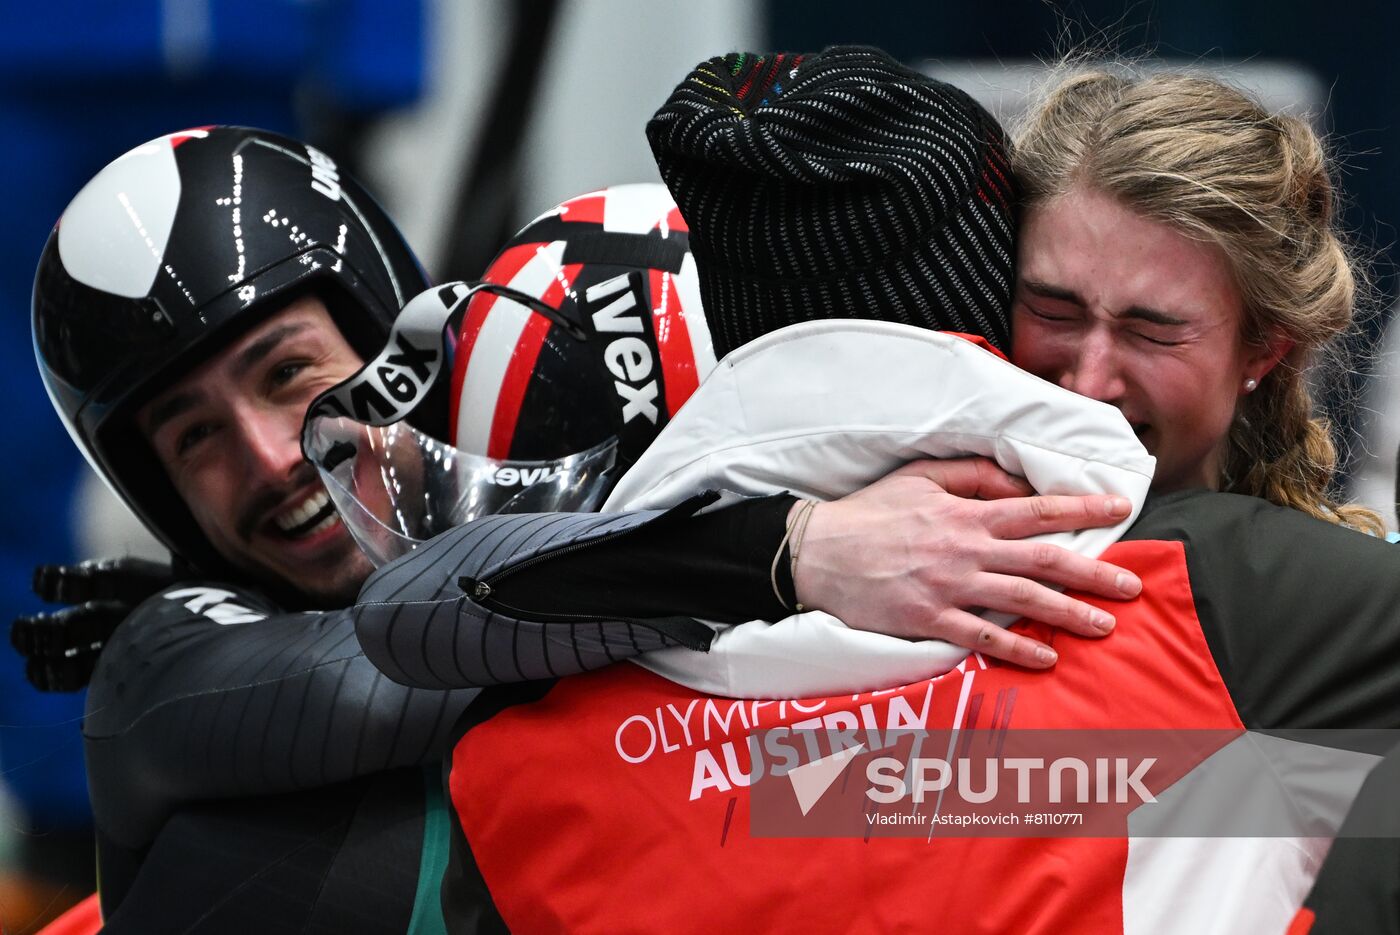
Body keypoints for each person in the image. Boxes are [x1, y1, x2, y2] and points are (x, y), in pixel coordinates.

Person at [348, 48, 1400, 934]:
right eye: (1051, 309)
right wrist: (793, 549)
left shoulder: (1273, 611)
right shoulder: (757, 595)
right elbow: (406, 613)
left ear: (1265, 348)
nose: (1086, 377)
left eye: (1152, 330)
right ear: (976, 303)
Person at [18, 130, 741, 930]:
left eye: (287, 372)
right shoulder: (152, 670)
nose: (272, 458)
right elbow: (366, 681)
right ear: (162, 496)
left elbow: (834, 804)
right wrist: (770, 557)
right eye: (196, 437)